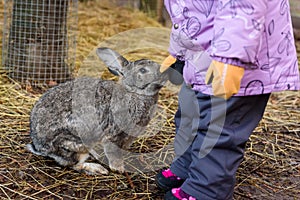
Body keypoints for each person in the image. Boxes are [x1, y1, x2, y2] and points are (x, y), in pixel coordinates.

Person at [156, 0, 300, 199]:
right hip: (201, 59)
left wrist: (230, 58)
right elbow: (186, 14)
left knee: (219, 127)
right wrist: (178, 54)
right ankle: (188, 167)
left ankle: (207, 189)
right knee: (189, 114)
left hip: (242, 65)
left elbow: (243, 5)